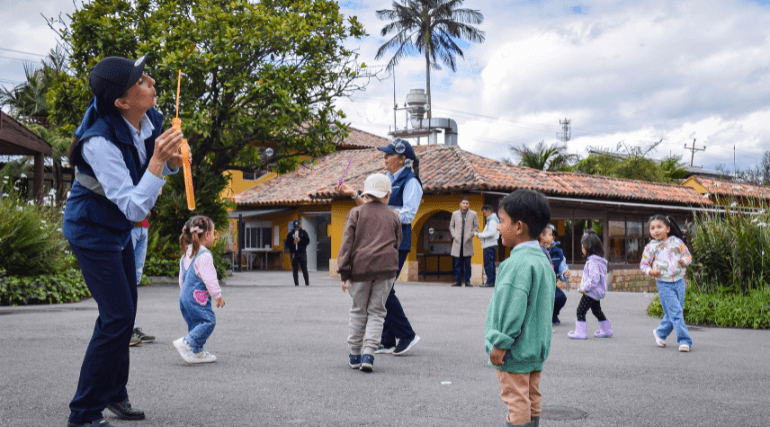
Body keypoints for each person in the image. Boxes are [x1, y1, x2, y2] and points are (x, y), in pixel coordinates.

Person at [62, 55, 183, 427]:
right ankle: (84, 412)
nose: (150, 81)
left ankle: (115, 393)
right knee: (117, 318)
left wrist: (173, 161)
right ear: (121, 101)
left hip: (117, 229)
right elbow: (133, 206)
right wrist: (159, 161)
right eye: (140, 81)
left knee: (124, 315)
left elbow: (160, 169)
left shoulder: (150, 119)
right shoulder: (98, 141)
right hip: (91, 229)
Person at [336, 138, 421, 356]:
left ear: (402, 159)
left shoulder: (411, 181)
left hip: (397, 241)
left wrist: (384, 214)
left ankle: (407, 334)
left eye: (388, 154)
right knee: (384, 289)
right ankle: (387, 340)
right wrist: (354, 194)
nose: (384, 158)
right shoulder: (387, 180)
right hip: (383, 240)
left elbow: (408, 214)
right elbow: (371, 209)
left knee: (386, 289)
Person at [485, 189, 555, 427]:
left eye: (502, 221)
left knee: (515, 399)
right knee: (531, 396)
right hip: (536, 349)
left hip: (515, 350)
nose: (498, 227)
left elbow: (511, 309)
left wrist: (500, 343)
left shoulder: (515, 264)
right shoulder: (543, 261)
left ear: (518, 227)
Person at [337, 174, 401, 372]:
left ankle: (355, 354)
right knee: (377, 312)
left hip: (360, 269)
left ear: (366, 194)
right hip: (386, 270)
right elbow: (397, 243)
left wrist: (344, 273)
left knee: (358, 310)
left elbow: (346, 245)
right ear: (388, 194)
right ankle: (369, 354)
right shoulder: (394, 216)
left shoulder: (355, 213)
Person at [173, 215, 226, 364]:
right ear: (207, 235)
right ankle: (186, 343)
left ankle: (196, 351)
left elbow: (182, 279)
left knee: (195, 324)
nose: (214, 236)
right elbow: (210, 278)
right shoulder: (204, 255)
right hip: (197, 297)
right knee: (208, 320)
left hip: (184, 296)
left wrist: (185, 294)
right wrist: (217, 295)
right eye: (213, 233)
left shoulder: (186, 254)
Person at [640, 214, 692, 352]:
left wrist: (683, 261)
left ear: (668, 229)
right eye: (652, 228)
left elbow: (688, 256)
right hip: (664, 284)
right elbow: (644, 265)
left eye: (659, 227)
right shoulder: (650, 247)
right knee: (676, 312)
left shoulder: (677, 242)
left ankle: (660, 333)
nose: (655, 230)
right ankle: (684, 340)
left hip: (679, 281)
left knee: (674, 312)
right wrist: (651, 271)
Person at [568, 230, 612, 339]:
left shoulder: (592, 262)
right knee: (597, 311)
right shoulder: (599, 261)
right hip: (596, 292)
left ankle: (581, 333)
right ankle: (606, 330)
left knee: (580, 311)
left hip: (590, 292)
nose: (582, 248)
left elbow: (594, 279)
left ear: (589, 247)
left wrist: (584, 288)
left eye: (583, 246)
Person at [129, 213, 155, 346]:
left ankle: (131, 327)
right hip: (129, 226)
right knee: (125, 278)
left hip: (143, 226)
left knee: (134, 279)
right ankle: (124, 330)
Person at [541, 224, 568, 325]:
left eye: (553, 235)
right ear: (542, 236)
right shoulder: (539, 250)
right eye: (550, 235)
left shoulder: (559, 253)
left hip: (551, 285)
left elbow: (562, 271)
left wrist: (564, 274)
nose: (552, 237)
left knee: (560, 297)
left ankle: (553, 315)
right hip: (540, 285)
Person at [450, 197, 479, 287]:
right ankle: (458, 281)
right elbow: (451, 226)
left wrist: (471, 235)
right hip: (457, 241)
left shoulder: (473, 214)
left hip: (468, 241)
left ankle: (467, 281)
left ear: (468, 204)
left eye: (467, 203)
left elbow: (476, 227)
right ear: (460, 204)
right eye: (463, 203)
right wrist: (454, 235)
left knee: (467, 263)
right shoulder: (455, 214)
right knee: (457, 263)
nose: (465, 205)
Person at [474, 204, 499, 288]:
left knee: (488, 264)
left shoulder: (492, 221)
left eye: (485, 213)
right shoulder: (492, 219)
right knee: (490, 264)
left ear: (489, 211)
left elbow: (492, 233)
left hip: (489, 245)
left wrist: (480, 235)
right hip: (491, 244)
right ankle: (491, 281)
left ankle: (490, 282)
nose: (484, 215)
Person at [284, 219, 310, 286]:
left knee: (304, 268)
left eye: (297, 227)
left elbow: (307, 241)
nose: (296, 228)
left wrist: (300, 240)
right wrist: (293, 243)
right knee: (295, 269)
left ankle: (307, 283)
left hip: (302, 253)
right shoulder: (290, 234)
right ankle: (296, 283)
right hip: (294, 254)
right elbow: (287, 244)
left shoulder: (303, 233)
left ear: (299, 226)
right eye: (295, 227)